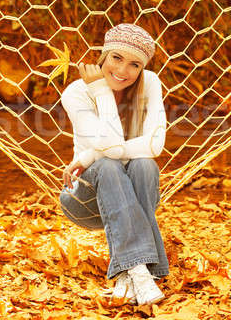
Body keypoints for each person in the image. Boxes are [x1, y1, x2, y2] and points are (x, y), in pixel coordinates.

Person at [59, 23, 168, 306]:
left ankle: (132, 272)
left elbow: (155, 146)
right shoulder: (76, 93)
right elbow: (111, 146)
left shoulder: (151, 84)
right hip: (84, 199)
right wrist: (101, 92)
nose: (122, 71)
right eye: (116, 58)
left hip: (130, 195)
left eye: (134, 64)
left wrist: (85, 157)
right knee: (108, 166)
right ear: (103, 55)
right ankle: (141, 269)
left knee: (145, 166)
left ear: (142, 68)